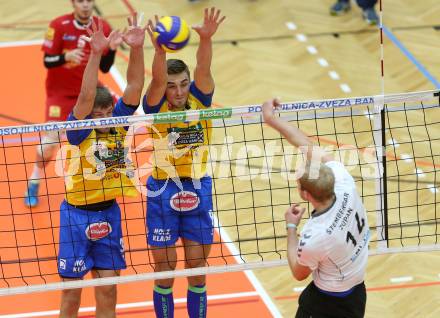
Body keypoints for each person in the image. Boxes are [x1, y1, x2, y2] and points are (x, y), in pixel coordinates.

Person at [57, 14, 146, 317]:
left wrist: (137, 47)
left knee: (108, 290)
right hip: (76, 216)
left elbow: (135, 85)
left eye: (110, 111)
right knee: (71, 294)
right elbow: (84, 97)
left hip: (108, 214)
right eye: (101, 114)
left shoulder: (118, 123)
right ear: (89, 114)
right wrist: (96, 54)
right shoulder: (80, 131)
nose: (107, 118)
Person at [142, 7, 225, 318]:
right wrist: (159, 49)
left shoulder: (200, 100)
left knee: (197, 269)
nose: (178, 91)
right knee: (164, 270)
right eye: (172, 85)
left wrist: (205, 39)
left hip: (198, 187)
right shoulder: (155, 106)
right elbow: (156, 78)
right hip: (163, 191)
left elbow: (204, 67)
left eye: (183, 84)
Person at [262, 98, 370, 318]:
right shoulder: (343, 181)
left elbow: (298, 272)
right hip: (357, 292)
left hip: (327, 304)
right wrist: (272, 120)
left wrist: (291, 227)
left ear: (305, 195)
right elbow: (307, 145)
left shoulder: (316, 234)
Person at [25, 0, 117, 207]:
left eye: (89, 1)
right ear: (73, 3)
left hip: (90, 93)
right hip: (60, 95)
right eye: (80, 1)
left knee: (111, 129)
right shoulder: (58, 25)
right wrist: (65, 56)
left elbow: (105, 67)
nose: (85, 5)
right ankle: (34, 180)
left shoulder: (103, 27)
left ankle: (108, 178)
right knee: (48, 146)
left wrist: (111, 49)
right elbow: (47, 61)